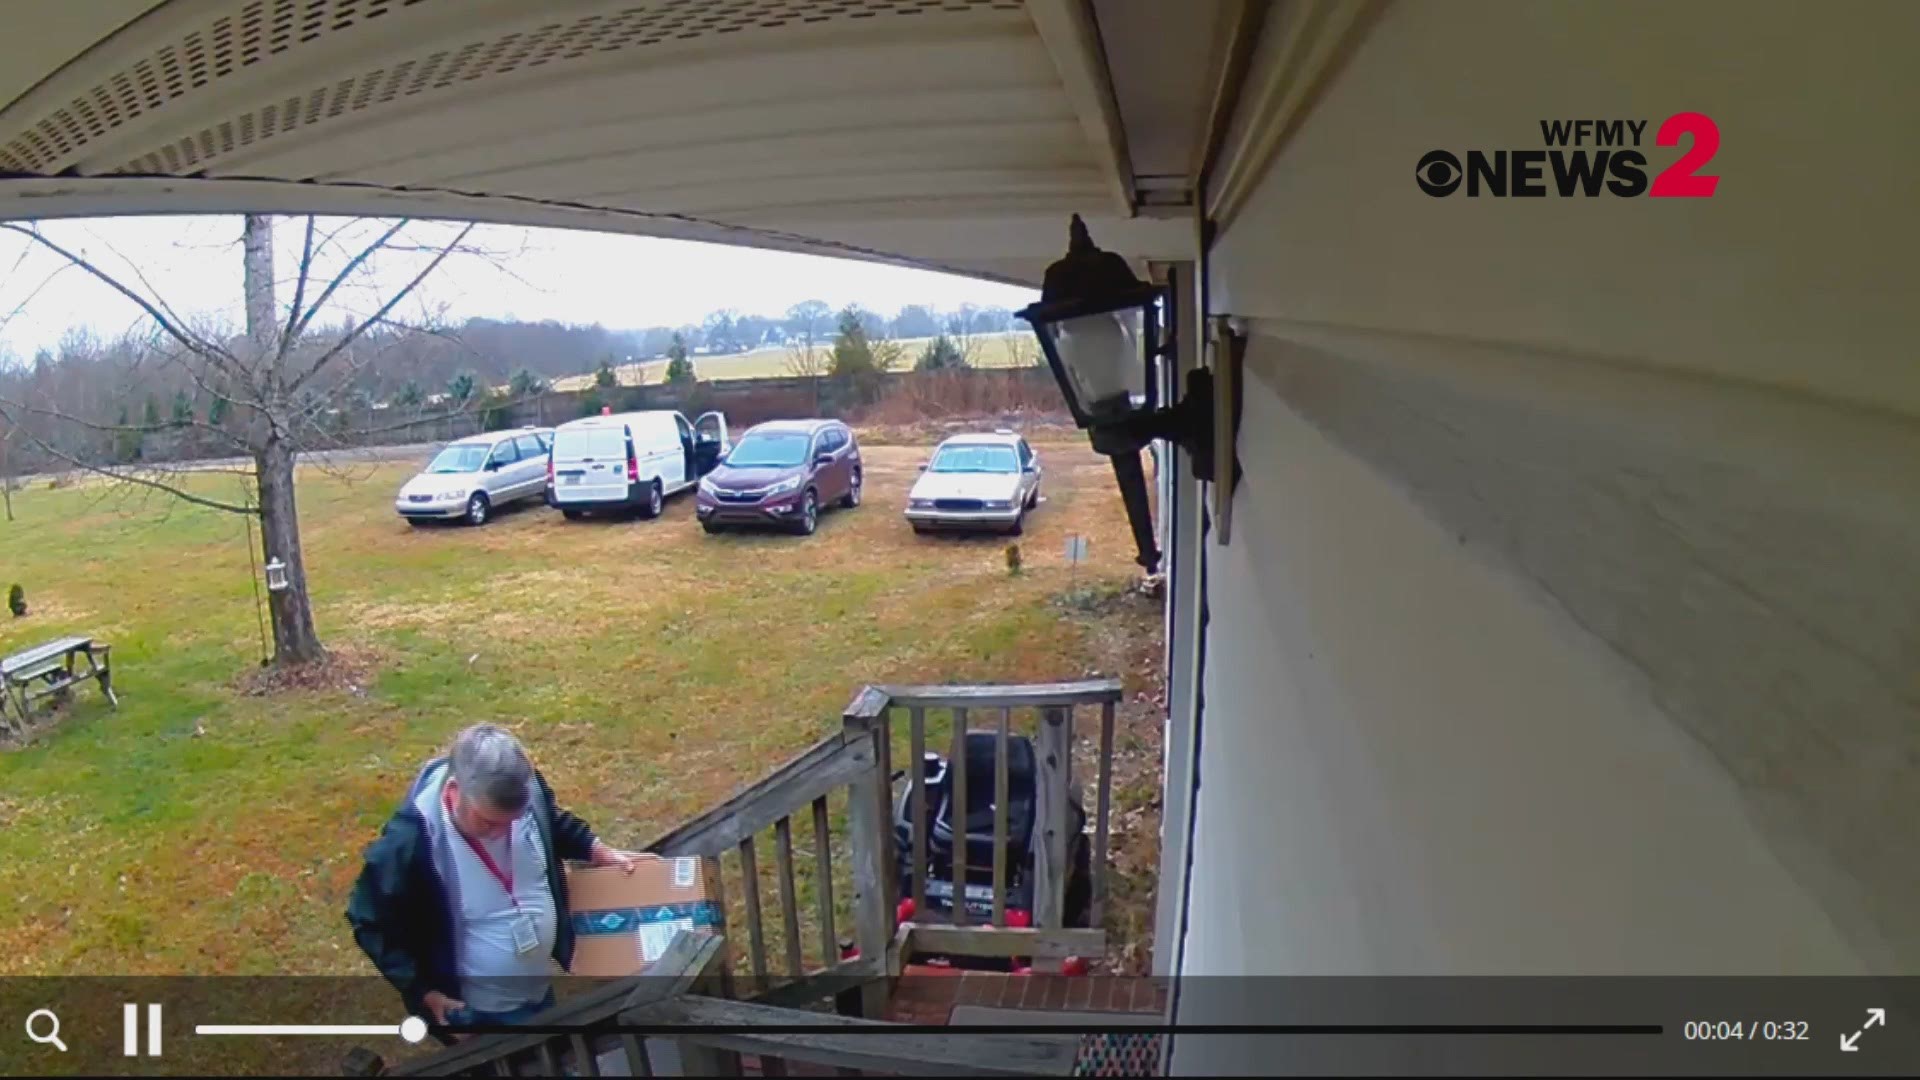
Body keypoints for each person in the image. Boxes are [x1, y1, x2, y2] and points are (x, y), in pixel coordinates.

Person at [346, 723, 635, 1031]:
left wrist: (595, 849)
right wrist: (423, 991)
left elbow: (548, 822)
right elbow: (370, 922)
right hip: (479, 1012)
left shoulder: (525, 792)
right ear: (453, 792)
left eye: (513, 821)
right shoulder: (407, 845)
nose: (502, 833)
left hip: (536, 986)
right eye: (488, 823)